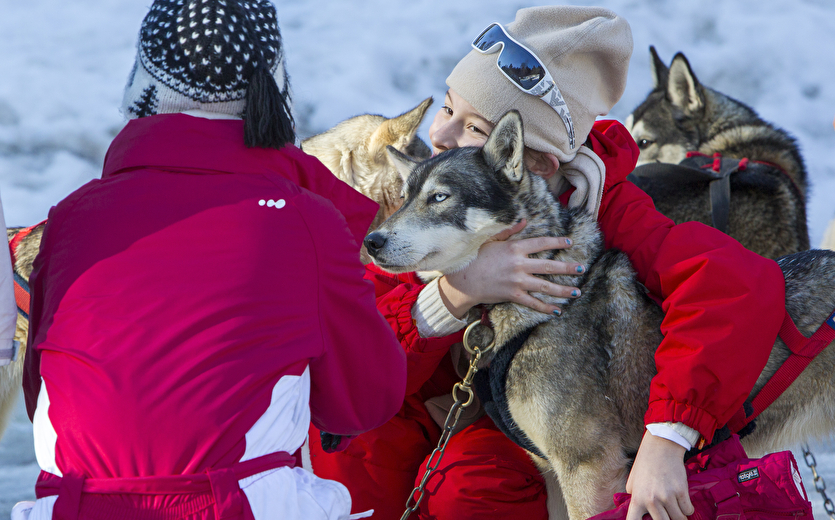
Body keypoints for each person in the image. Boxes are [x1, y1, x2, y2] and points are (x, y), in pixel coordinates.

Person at [308, 6, 786, 520]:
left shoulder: (607, 207)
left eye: (472, 127)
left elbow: (733, 285)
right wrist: (459, 293)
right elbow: (356, 354)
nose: (440, 136)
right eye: (446, 108)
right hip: (430, 401)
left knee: (468, 487)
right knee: (343, 433)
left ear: (528, 161)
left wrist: (667, 436)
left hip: (540, 412)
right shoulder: (430, 194)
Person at [17, 1, 406, 519]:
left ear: (143, 84)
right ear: (272, 84)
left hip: (70, 507)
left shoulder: (71, 217)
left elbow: (43, 393)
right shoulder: (306, 220)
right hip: (232, 505)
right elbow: (364, 401)